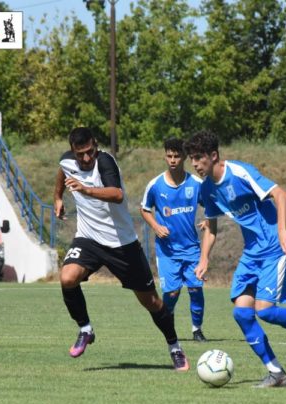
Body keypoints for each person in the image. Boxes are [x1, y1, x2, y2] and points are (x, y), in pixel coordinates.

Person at [185, 130, 286, 388]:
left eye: (199, 158)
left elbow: (281, 194)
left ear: (214, 155)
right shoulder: (207, 189)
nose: (195, 164)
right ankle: (277, 373)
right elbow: (211, 226)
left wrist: (281, 230)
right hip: (252, 254)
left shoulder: (240, 173)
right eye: (192, 159)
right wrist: (204, 259)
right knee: (242, 313)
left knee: (264, 311)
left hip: (274, 249)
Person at [54, 127, 190, 371]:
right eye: (80, 154)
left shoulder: (105, 162)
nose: (86, 159)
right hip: (89, 239)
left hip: (122, 244)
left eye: (89, 152)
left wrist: (86, 190)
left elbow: (117, 194)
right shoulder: (68, 161)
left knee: (152, 302)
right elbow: (63, 172)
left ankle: (175, 347)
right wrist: (57, 198)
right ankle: (85, 329)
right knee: (67, 278)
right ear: (73, 152)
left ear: (96, 146)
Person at [140, 138, 208, 342]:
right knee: (171, 294)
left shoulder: (196, 183)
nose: (172, 160)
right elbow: (144, 209)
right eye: (169, 155)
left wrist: (206, 220)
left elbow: (211, 206)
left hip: (192, 249)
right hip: (167, 251)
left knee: (196, 289)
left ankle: (197, 329)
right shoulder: (155, 185)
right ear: (165, 156)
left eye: (177, 156)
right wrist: (155, 226)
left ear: (184, 157)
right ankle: (168, 329)